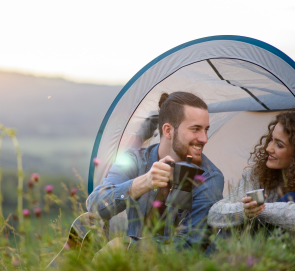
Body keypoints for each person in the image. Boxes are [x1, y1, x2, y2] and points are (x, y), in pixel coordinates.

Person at [86, 92, 224, 249]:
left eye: (206, 129)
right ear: (168, 131)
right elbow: (95, 205)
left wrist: (127, 247)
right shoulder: (134, 160)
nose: (204, 138)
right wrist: (143, 183)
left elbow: (190, 246)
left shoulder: (209, 177)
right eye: (195, 129)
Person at [208, 111, 295, 232]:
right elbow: (213, 215)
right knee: (233, 224)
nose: (268, 148)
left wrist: (260, 210)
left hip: (294, 256)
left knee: (294, 197)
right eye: (271, 139)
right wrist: (245, 210)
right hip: (247, 250)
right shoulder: (256, 176)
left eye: (279, 144)